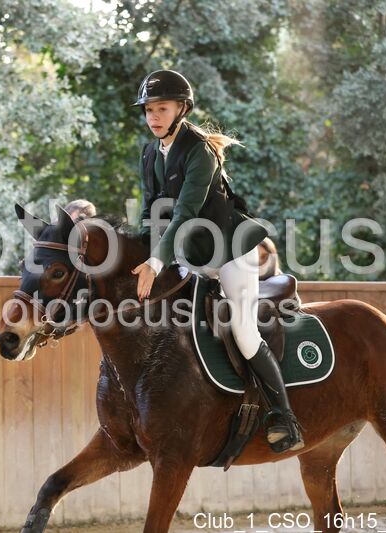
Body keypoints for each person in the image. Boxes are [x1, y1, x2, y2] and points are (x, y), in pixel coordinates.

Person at [129, 69, 304, 453]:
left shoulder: (200, 152)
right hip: (190, 254)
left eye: (162, 108)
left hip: (229, 251)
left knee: (243, 331)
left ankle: (284, 418)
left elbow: (184, 214)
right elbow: (150, 212)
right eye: (148, 110)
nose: (153, 116)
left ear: (182, 109)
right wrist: (138, 251)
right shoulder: (150, 153)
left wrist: (155, 263)